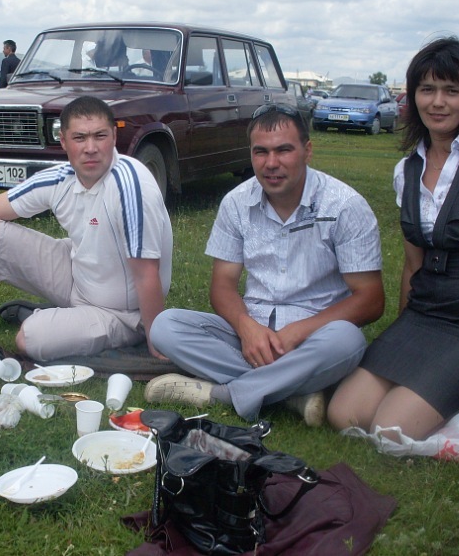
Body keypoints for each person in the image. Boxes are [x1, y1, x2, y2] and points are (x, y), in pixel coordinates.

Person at [328, 37, 459, 440]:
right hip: (426, 314)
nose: (438, 102)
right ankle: (454, 388)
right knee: (344, 414)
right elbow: (413, 264)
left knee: (391, 428)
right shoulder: (407, 171)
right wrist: (402, 335)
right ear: (414, 95)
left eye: (451, 91)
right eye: (427, 89)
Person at [145, 103, 385, 426]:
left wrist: (298, 332)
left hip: (316, 337)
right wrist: (246, 327)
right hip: (251, 334)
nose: (271, 163)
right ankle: (292, 392)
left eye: (284, 150)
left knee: (348, 340)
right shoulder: (236, 203)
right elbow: (222, 287)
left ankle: (226, 393)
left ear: (307, 150)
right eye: (261, 152)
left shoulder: (345, 206)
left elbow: (371, 299)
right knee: (165, 326)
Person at [0, 95, 172, 361]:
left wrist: (156, 341)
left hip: (122, 313)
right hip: (78, 277)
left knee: (30, 338)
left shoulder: (130, 186)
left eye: (100, 136)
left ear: (114, 138)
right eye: (79, 138)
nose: (91, 148)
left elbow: (146, 273)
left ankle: (76, 322)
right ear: (63, 141)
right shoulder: (60, 179)